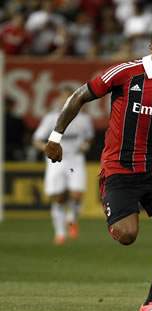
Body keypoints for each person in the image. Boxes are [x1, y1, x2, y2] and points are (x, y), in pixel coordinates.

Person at [43, 23, 152, 311]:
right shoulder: (125, 72)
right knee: (127, 234)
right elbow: (80, 95)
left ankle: (151, 303)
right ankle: (114, 200)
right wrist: (55, 137)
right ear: (151, 46)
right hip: (120, 167)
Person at [33, 86, 94, 245]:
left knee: (76, 194)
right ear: (59, 99)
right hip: (56, 162)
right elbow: (37, 139)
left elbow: (89, 138)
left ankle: (72, 219)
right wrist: (47, 148)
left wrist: (85, 146)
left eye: (69, 97)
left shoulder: (84, 119)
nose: (65, 100)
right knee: (58, 198)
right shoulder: (51, 118)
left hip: (75, 159)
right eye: (63, 97)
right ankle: (60, 233)